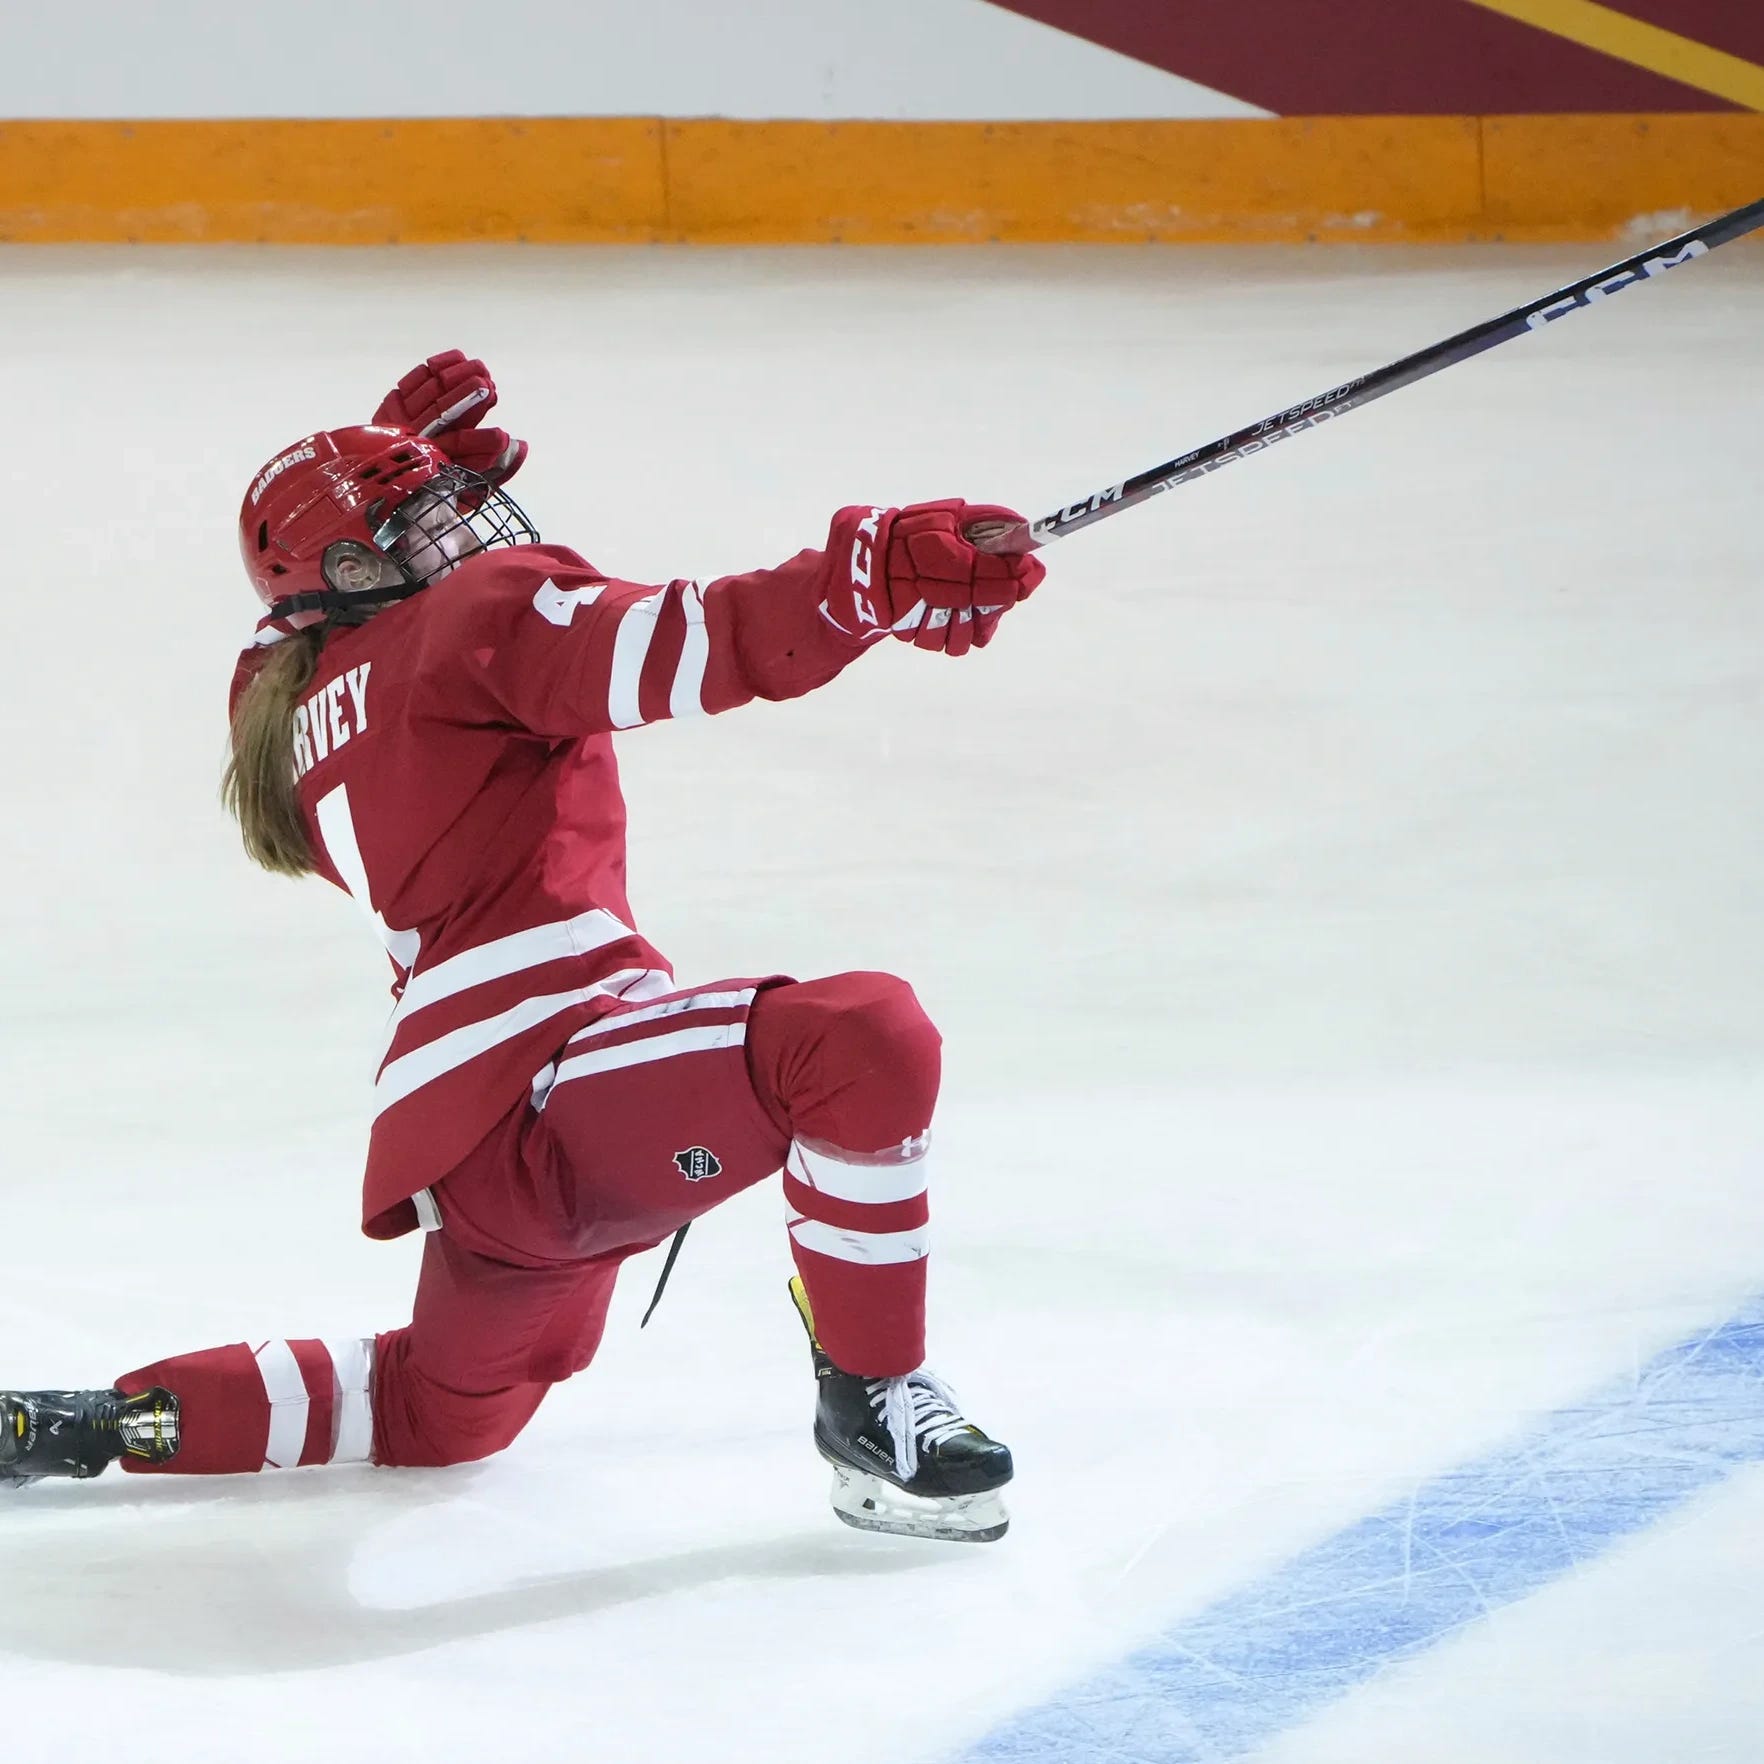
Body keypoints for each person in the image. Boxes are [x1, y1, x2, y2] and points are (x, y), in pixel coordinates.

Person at [0, 352, 1045, 1542]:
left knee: (433, 1413)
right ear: (357, 572)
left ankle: (94, 1423)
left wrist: (373, 489)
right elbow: (699, 637)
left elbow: (291, 630)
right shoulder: (471, 622)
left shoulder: (282, 713)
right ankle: (875, 1399)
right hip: (560, 1092)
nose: (466, 531)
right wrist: (860, 583)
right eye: (424, 524)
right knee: (860, 1040)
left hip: (471, 1155)